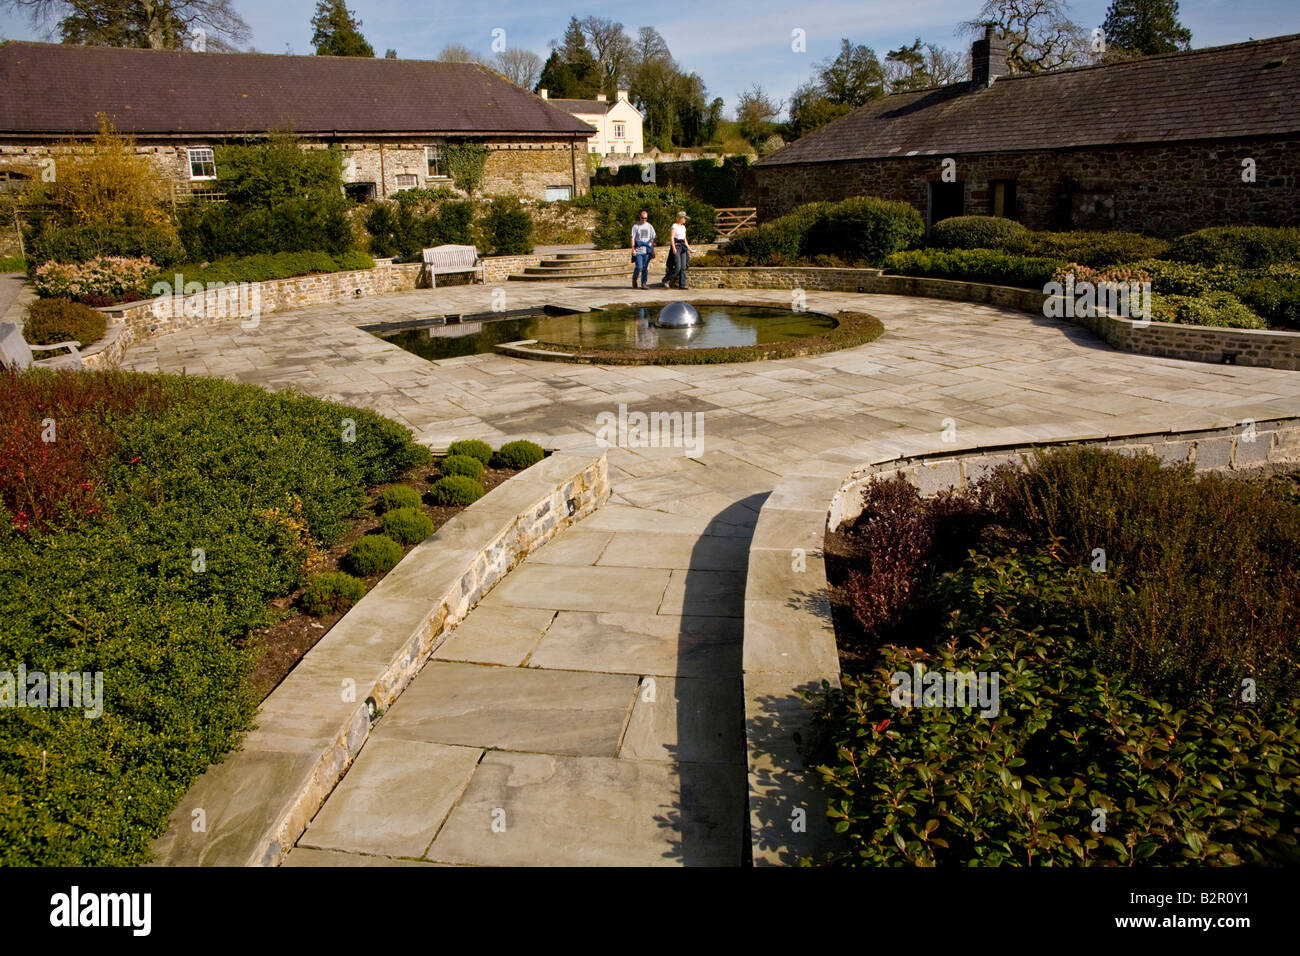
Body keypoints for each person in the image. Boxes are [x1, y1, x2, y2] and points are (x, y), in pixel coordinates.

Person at [630, 209, 655, 290]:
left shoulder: (650, 226)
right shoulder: (635, 226)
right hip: (638, 250)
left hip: (646, 250)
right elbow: (632, 238)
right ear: (640, 217)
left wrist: (651, 247)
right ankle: (634, 279)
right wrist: (633, 249)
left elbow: (652, 237)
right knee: (639, 266)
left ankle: (644, 283)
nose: (644, 220)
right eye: (642, 218)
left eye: (645, 218)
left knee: (645, 267)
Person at [668, 211, 692, 289]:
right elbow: (671, 237)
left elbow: (684, 239)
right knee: (678, 267)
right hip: (677, 246)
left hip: (683, 247)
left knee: (683, 267)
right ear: (680, 218)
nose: (685, 220)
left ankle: (682, 284)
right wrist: (674, 248)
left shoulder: (683, 227)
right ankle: (666, 279)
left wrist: (689, 248)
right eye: (684, 218)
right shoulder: (674, 226)